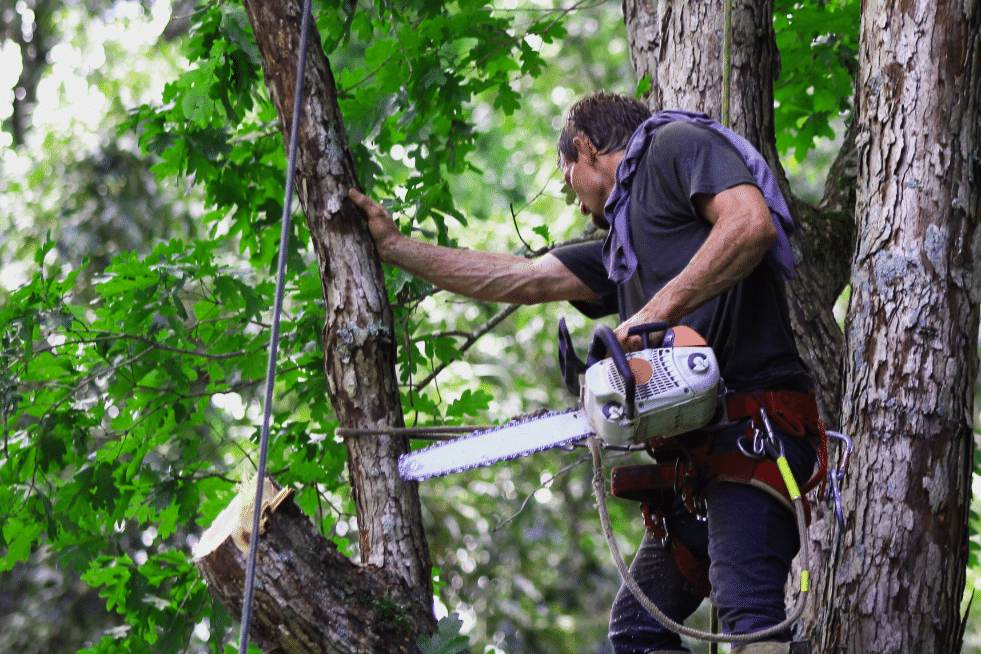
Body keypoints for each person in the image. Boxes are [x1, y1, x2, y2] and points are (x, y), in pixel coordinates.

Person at [348, 92, 819, 654]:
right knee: (637, 627)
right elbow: (520, 279)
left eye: (568, 179)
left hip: (755, 434)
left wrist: (651, 315)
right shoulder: (621, 251)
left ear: (586, 149)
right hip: (702, 464)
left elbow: (749, 223)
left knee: (749, 615)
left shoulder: (674, 143)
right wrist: (396, 248)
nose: (575, 204)